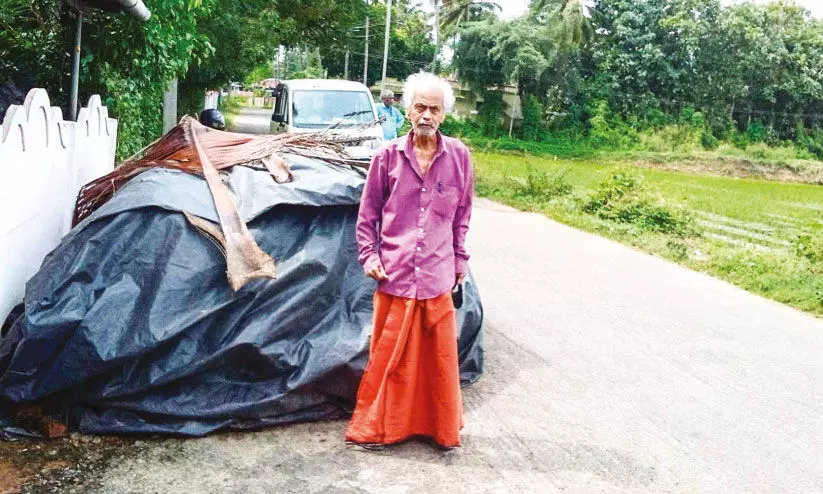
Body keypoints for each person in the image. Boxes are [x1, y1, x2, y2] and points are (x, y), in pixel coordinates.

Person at [346, 72, 473, 450]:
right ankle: (380, 429)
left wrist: (459, 261)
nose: (426, 115)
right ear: (407, 110)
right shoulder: (386, 157)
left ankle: (437, 429)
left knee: (438, 363)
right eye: (420, 107)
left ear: (444, 114)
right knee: (390, 360)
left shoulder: (460, 158)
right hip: (395, 274)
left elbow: (462, 216)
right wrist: (369, 255)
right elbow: (367, 215)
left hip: (437, 276)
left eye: (434, 109)